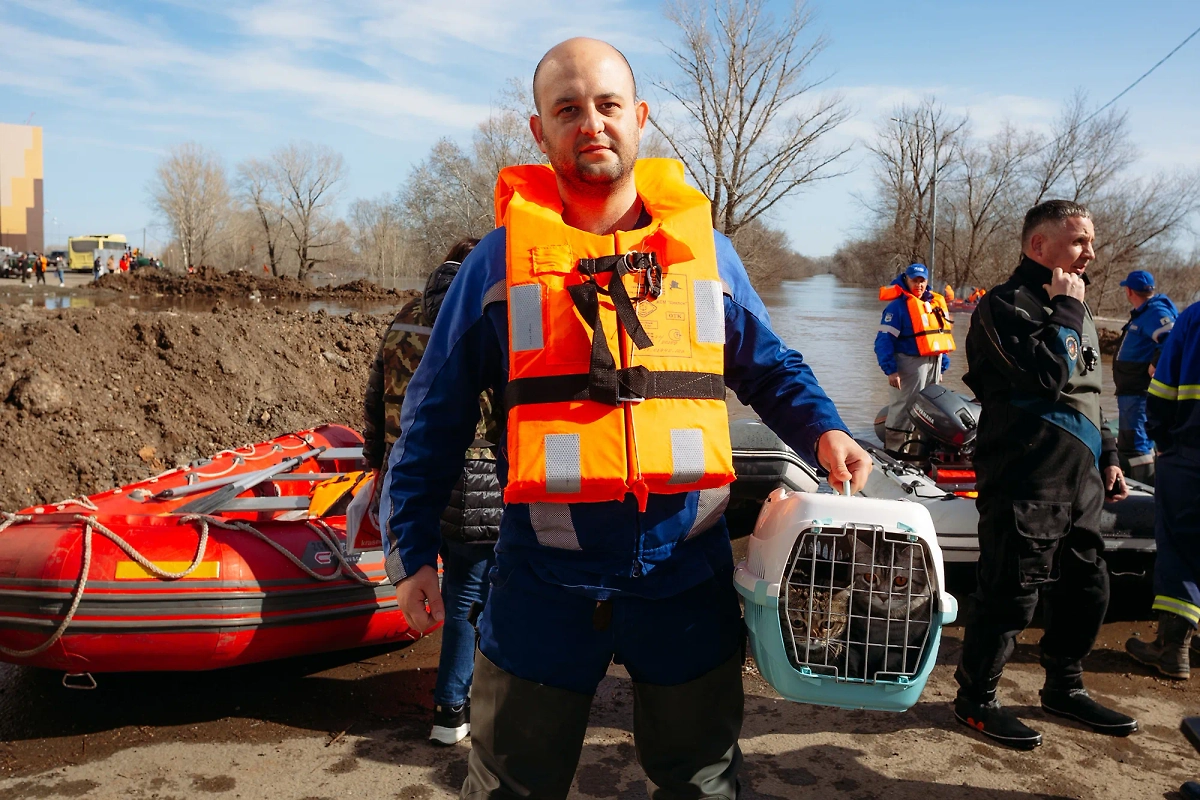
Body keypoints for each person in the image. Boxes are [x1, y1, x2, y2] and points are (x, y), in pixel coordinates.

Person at [379, 37, 871, 799]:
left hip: (685, 574)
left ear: (639, 118)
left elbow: (770, 367)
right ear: (539, 132)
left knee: (702, 782)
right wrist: (410, 549)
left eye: (608, 105)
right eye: (567, 109)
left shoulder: (710, 255)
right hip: (541, 580)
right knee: (510, 783)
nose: (592, 123)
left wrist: (825, 428)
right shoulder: (495, 266)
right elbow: (432, 419)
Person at [954, 199, 1138, 750]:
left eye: (1092, 240)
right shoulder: (1002, 306)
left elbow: (1090, 391)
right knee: (1011, 594)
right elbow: (1046, 377)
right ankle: (976, 700)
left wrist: (1109, 454)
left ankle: (1064, 686)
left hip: (1080, 477)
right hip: (1025, 477)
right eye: (1080, 240)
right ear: (1040, 246)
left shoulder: (1073, 306)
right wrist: (1062, 311)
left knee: (1089, 587)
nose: (1092, 251)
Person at [362, 238, 502, 746]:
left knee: (438, 573)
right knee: (471, 587)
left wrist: (377, 463)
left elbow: (376, 396)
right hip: (477, 471)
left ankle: (461, 693)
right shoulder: (490, 314)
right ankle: (452, 708)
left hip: (411, 470)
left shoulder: (403, 317)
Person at [1125, 298, 1200, 679]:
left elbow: (1162, 390)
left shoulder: (1194, 318)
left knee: (1180, 546)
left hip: (1190, 453)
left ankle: (1173, 648)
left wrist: (1161, 440)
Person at [874, 262, 955, 455]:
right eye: (914, 280)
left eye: (922, 281)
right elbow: (883, 341)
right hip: (908, 363)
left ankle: (920, 451)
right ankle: (895, 450)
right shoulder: (897, 308)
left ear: (927, 282)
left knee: (929, 406)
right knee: (903, 406)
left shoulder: (933, 304)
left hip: (932, 364)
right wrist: (891, 370)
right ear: (906, 280)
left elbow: (939, 337)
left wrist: (942, 366)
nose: (919, 284)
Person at [1112, 269, 1177, 486]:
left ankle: (1145, 496)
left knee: (1136, 445)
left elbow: (1171, 339)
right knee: (1133, 443)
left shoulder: (1155, 312)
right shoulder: (1145, 312)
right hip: (1131, 392)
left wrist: (1155, 364)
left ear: (1129, 291)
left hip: (1139, 393)